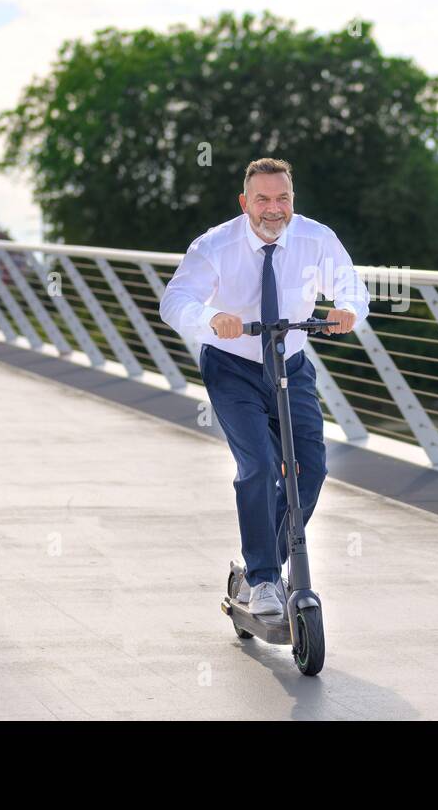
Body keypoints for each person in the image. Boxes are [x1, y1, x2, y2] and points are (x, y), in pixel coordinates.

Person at [159, 158, 371, 616]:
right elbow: (175, 300)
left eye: (283, 198)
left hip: (291, 363)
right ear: (245, 202)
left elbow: (351, 286)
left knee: (310, 468)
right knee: (257, 467)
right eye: (263, 199)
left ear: (293, 199)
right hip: (232, 366)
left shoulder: (316, 238)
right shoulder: (216, 244)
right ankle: (262, 581)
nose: (274, 209)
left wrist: (349, 310)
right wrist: (211, 318)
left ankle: (265, 569)